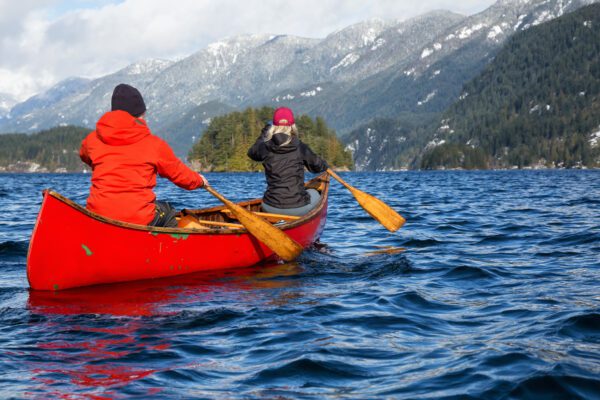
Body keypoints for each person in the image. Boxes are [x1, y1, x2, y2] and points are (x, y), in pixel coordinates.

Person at [79, 83, 207, 227]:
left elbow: (84, 155)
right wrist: (199, 181)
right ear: (139, 115)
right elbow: (180, 174)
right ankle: (173, 247)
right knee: (168, 210)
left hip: (97, 215)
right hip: (138, 218)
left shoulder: (92, 140)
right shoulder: (153, 144)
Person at [247, 107, 328, 216]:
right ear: (292, 126)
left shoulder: (266, 147)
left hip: (270, 206)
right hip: (297, 207)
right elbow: (319, 167)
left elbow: (252, 152)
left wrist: (265, 131)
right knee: (315, 193)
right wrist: (325, 165)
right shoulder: (300, 147)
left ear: (273, 127)